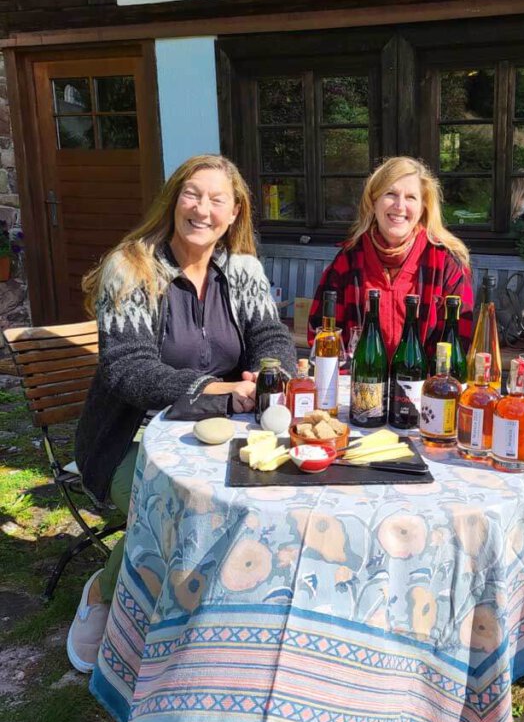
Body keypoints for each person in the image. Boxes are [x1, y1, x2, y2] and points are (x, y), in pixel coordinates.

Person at [67, 154, 296, 673]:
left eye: (218, 199)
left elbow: (272, 337)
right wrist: (216, 388)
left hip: (224, 436)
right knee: (178, 506)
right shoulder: (133, 268)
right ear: (174, 200)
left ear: (234, 213)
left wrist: (267, 373)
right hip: (129, 442)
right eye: (193, 194)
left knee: (266, 496)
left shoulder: (242, 271)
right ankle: (103, 593)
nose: (203, 209)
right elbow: (129, 370)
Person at [308, 156, 474, 358]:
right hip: (360, 384)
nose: (399, 206)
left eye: (411, 197)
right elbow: (321, 336)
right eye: (390, 194)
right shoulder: (348, 261)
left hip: (425, 386)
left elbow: (457, 346)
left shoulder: (446, 264)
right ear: (374, 201)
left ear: (423, 207)